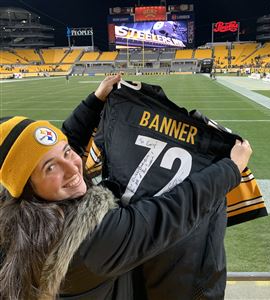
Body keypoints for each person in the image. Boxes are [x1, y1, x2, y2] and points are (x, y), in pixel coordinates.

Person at [0, 75, 252, 300]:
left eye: (67, 153)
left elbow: (61, 145)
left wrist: (95, 102)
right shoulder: (91, 240)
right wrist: (230, 169)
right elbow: (169, 213)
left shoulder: (15, 207)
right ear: (27, 188)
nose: (72, 168)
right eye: (50, 168)